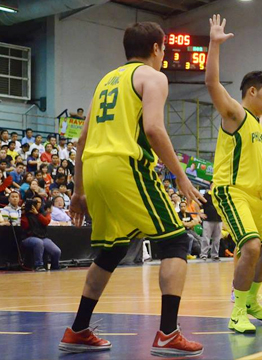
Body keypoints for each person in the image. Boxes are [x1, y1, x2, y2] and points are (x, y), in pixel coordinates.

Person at [58, 22, 205, 357]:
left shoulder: (105, 81)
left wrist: (79, 190)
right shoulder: (153, 77)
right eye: (164, 49)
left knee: (111, 251)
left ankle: (78, 330)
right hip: (124, 165)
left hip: (94, 168)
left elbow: (81, 140)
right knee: (176, 241)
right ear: (157, 48)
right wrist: (181, 176)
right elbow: (153, 129)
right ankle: (169, 333)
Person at [206, 14, 262, 334]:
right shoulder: (236, 113)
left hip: (254, 195)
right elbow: (211, 83)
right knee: (250, 246)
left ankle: (250, 300)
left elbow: (256, 162)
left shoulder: (261, 130)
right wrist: (214, 43)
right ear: (252, 92)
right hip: (230, 190)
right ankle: (236, 311)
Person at [21, 196, 62, 271]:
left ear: (41, 204)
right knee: (38, 242)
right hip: (28, 237)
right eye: (34, 202)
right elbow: (24, 226)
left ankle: (55, 266)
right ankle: (38, 265)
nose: (35, 204)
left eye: (37, 202)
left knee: (57, 251)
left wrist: (37, 214)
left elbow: (46, 222)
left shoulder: (44, 213)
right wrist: (24, 213)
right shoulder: (25, 214)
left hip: (42, 237)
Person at [200, 187, 222, 261]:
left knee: (217, 239)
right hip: (208, 220)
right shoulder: (205, 195)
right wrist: (200, 213)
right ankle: (203, 254)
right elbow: (197, 203)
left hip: (219, 220)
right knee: (206, 238)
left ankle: (215, 255)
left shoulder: (220, 195)